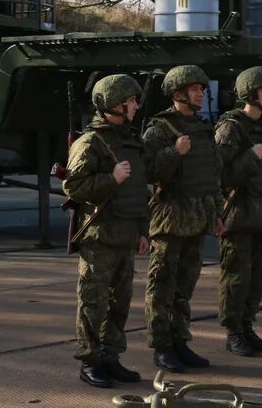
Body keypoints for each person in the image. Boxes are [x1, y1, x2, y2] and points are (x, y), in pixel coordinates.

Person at [64, 74, 150, 388]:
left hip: (127, 236)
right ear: (115, 104)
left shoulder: (131, 141)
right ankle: (90, 361)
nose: (136, 106)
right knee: (93, 302)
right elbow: (74, 186)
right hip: (99, 237)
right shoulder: (90, 143)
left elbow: (140, 190)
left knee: (120, 302)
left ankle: (111, 357)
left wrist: (143, 231)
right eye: (131, 101)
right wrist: (111, 178)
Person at [143, 65, 225, 372]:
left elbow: (212, 176)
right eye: (194, 90)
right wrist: (173, 153)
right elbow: (150, 171)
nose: (200, 95)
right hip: (171, 218)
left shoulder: (204, 129)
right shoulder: (159, 129)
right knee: (162, 284)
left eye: (202, 90)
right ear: (178, 94)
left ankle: (180, 341)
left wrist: (216, 213)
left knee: (185, 286)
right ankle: (162, 345)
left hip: (198, 216)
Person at [214, 66, 262, 356]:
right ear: (250, 93)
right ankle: (233, 332)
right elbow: (218, 173)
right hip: (238, 215)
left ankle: (247, 325)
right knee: (236, 277)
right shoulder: (231, 127)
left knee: (257, 277)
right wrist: (249, 158)